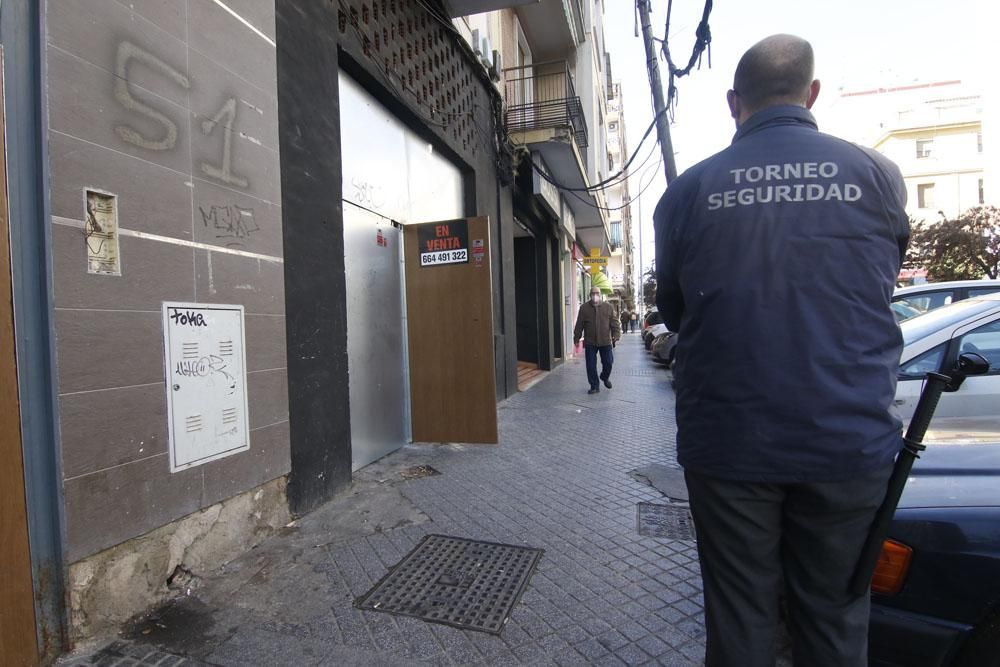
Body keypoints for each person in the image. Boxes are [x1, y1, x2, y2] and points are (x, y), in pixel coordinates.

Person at [653, 35, 909, 667]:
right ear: (811, 93)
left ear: (733, 103)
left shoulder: (690, 191)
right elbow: (881, 282)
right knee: (835, 617)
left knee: (740, 617)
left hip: (730, 444)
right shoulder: (875, 175)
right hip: (848, 442)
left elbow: (676, 313)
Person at [573, 287, 621, 394]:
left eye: (597, 293)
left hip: (605, 341)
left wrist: (616, 334)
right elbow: (579, 325)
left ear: (600, 295)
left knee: (608, 362)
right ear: (590, 295)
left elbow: (615, 323)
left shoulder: (608, 307)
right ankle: (594, 386)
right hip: (590, 342)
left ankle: (604, 376)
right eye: (593, 293)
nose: (595, 295)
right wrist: (576, 338)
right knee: (590, 365)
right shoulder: (584, 308)